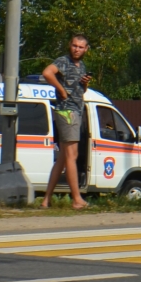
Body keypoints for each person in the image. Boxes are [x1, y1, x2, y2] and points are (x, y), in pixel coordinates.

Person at [40, 34, 91, 209]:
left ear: (86, 49)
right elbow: (47, 73)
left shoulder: (81, 65)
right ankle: (77, 199)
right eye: (75, 46)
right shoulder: (63, 61)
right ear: (70, 45)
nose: (77, 49)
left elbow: (80, 91)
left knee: (62, 158)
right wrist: (61, 91)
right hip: (68, 112)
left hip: (74, 110)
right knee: (72, 156)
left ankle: (46, 200)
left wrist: (84, 83)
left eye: (81, 47)